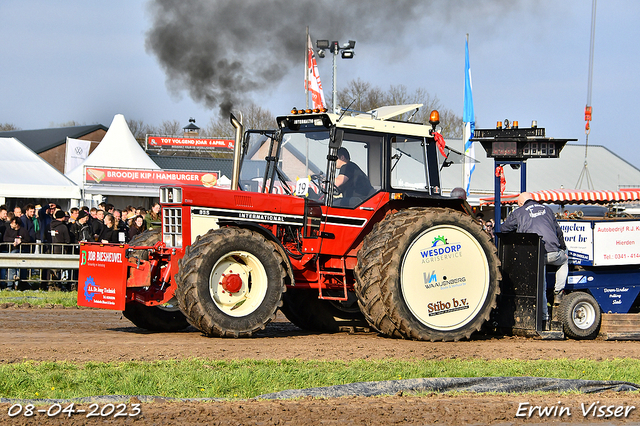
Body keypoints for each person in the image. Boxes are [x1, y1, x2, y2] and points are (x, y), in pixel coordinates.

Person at [501, 192, 568, 328]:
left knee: (541, 287)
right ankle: (558, 291)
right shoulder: (547, 209)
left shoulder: (519, 212)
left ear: (520, 203)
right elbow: (558, 232)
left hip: (535, 255)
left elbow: (503, 229)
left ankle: (544, 320)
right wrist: (563, 248)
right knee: (565, 260)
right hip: (553, 252)